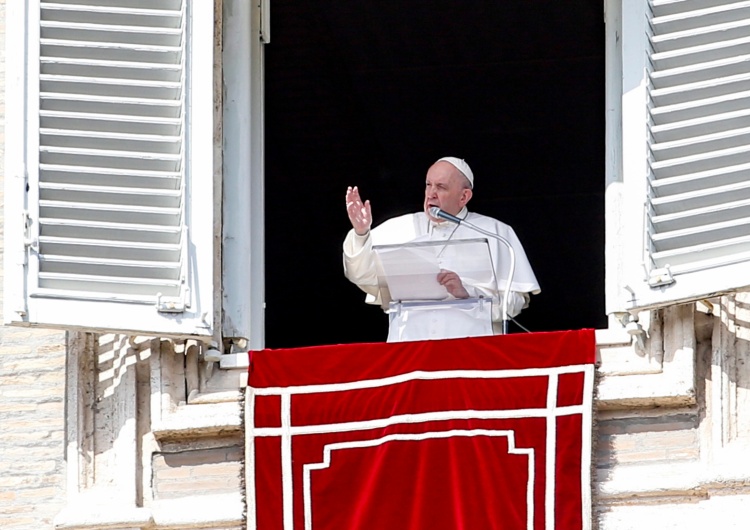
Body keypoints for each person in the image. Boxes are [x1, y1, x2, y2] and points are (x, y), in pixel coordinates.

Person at [343, 156, 540, 342]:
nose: (431, 194)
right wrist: (361, 234)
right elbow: (361, 275)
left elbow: (514, 303)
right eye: (428, 185)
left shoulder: (495, 232)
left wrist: (468, 293)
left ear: (464, 196)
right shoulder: (399, 228)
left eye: (441, 187)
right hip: (411, 347)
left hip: (471, 349)